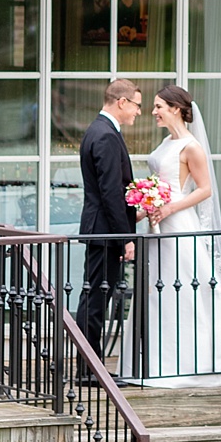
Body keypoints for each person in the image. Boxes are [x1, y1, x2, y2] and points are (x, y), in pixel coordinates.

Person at [141, 84, 221, 386]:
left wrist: (170, 208)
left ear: (176, 109)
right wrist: (146, 205)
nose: (154, 112)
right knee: (161, 290)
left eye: (159, 107)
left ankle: (201, 363)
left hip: (180, 224)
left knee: (190, 290)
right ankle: (160, 361)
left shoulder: (191, 146)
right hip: (159, 224)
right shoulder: (167, 142)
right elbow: (160, 183)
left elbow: (205, 189)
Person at [76, 79, 141, 376]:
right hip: (105, 232)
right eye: (137, 105)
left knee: (95, 297)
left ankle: (90, 367)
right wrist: (125, 238)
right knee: (96, 301)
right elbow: (111, 192)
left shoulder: (100, 130)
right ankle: (90, 370)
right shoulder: (104, 135)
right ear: (122, 102)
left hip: (102, 229)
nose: (138, 113)